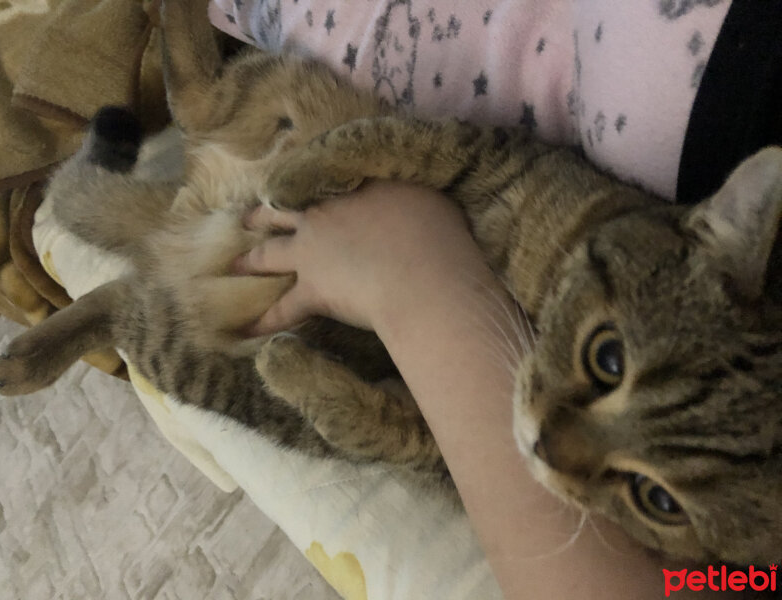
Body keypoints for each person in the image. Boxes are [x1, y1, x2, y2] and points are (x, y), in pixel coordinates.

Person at [214, 1, 781, 597]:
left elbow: (735, 581)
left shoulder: (751, 565)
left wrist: (419, 293)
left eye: (656, 496)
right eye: (606, 360)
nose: (556, 449)